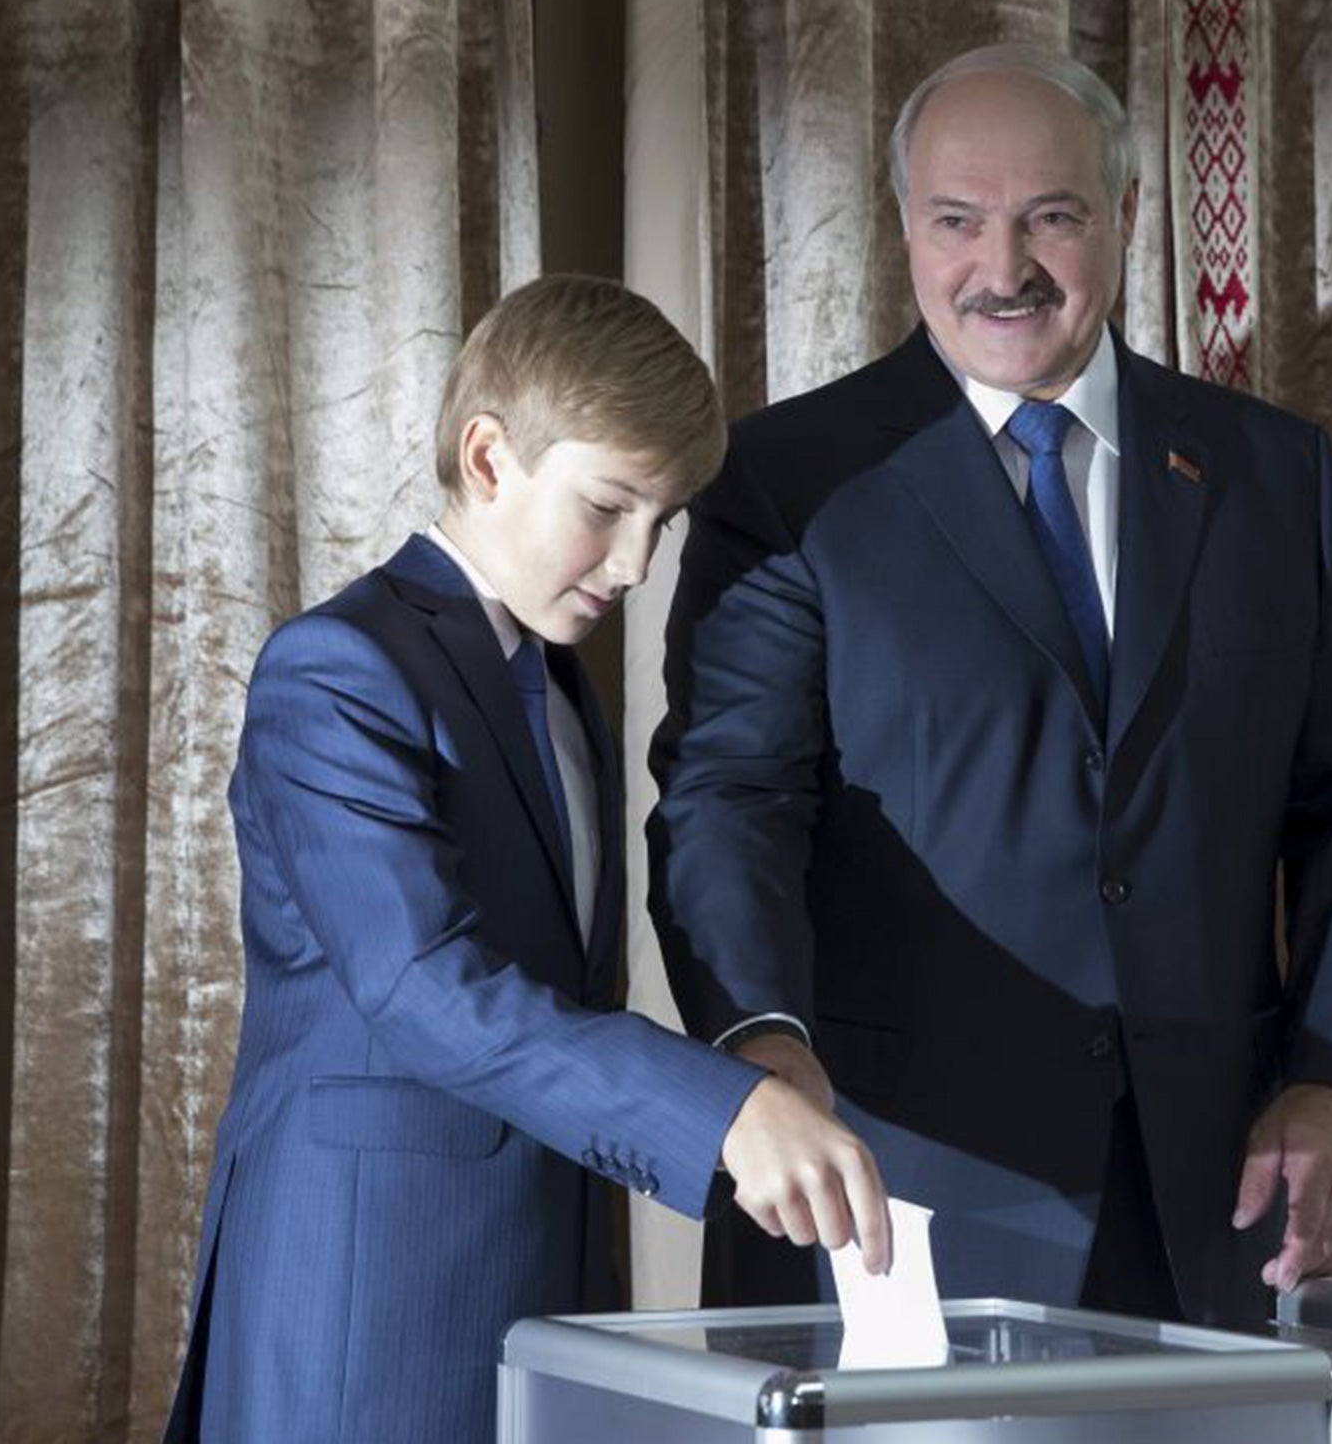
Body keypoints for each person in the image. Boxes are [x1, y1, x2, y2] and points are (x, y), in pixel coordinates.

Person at [649, 44, 1332, 1330]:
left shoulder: (1268, 476)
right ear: (905, 226)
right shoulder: (789, 481)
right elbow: (729, 797)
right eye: (956, 221)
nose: (1000, 270)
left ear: (1124, 216)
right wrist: (757, 1044)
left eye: (1050, 217)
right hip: (898, 1200)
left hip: (1211, 1201)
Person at [164, 274, 891, 1443]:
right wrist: (722, 1112)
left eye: (660, 522)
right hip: (364, 1306)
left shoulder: (555, 684)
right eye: (608, 508)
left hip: (539, 1305)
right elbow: (419, 986)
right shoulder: (335, 669)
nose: (635, 564)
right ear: (490, 458)